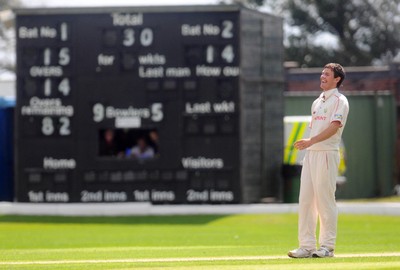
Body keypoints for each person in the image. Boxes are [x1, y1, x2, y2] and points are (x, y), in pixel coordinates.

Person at [288, 63, 349, 258]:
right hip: (311, 155)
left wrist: (311, 141)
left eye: (327, 74)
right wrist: (309, 144)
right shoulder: (317, 102)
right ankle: (306, 246)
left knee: (325, 201)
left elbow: (334, 127)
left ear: (337, 79)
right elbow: (314, 128)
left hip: (327, 153)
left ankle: (327, 247)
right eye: (322, 73)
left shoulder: (340, 101)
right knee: (306, 201)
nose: (322, 76)